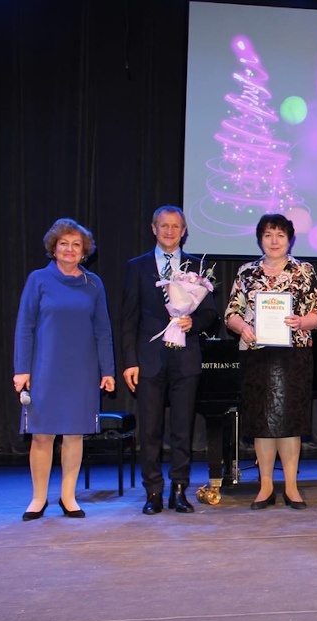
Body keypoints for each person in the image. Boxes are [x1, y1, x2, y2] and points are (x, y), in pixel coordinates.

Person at [13, 219, 116, 521]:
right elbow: (24, 326)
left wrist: (107, 370)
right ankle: (38, 498)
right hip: (44, 368)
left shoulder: (94, 284)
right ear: (54, 248)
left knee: (74, 434)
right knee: (42, 435)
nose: (69, 249)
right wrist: (22, 369)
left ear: (84, 251)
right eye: (64, 244)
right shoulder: (38, 280)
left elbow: (103, 330)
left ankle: (68, 497)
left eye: (76, 245)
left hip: (82, 370)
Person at [225, 213, 317, 511]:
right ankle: (266, 486)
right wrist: (242, 327)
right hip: (256, 353)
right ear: (260, 239)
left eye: (280, 235)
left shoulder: (304, 270)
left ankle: (292, 487)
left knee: (290, 421)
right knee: (262, 422)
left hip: (294, 354)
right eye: (268, 235)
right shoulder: (246, 272)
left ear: (290, 239)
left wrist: (301, 321)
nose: (274, 241)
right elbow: (231, 313)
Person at [121, 205, 219, 515]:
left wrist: (194, 323)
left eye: (176, 226)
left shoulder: (197, 266)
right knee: (150, 429)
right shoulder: (137, 267)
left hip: (185, 358)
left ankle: (179, 489)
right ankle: (153, 491)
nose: (169, 231)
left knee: (182, 428)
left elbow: (210, 313)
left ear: (184, 231)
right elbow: (128, 319)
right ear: (154, 229)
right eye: (163, 225)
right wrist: (130, 361)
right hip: (149, 359)